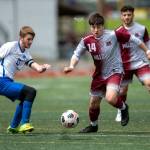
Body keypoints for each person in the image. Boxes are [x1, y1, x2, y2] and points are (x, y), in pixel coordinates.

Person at [63, 12, 150, 133]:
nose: (96, 29)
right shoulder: (86, 41)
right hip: (99, 75)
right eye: (93, 27)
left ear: (103, 26)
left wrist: (147, 51)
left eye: (99, 27)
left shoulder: (114, 34)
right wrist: (71, 66)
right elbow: (76, 54)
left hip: (115, 72)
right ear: (90, 27)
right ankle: (93, 125)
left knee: (110, 98)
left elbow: (134, 39)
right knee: (93, 103)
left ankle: (123, 108)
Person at [0, 26, 51, 134]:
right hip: (1, 81)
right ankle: (24, 124)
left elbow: (36, 67)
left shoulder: (26, 53)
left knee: (25, 97)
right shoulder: (11, 46)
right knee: (30, 91)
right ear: (21, 37)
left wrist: (42, 67)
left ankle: (13, 126)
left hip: (7, 82)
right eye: (28, 39)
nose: (31, 41)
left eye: (32, 39)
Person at [115, 5, 150, 122]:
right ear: (121, 17)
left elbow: (147, 42)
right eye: (124, 15)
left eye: (129, 15)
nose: (127, 17)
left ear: (133, 15)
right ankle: (121, 110)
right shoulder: (117, 32)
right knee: (122, 91)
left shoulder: (142, 29)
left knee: (149, 83)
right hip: (124, 65)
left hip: (140, 63)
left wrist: (148, 52)